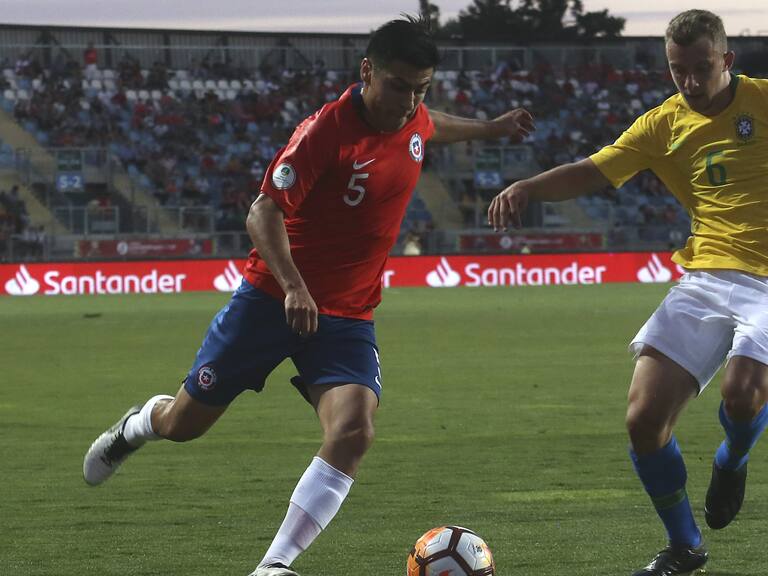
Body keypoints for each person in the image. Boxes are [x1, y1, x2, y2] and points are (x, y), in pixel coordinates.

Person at [83, 15, 534, 576]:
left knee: (353, 431)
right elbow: (262, 211)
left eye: (420, 88)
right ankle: (136, 426)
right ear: (367, 70)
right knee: (184, 425)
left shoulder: (412, 113)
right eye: (398, 85)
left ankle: (274, 565)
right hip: (272, 299)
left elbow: (429, 124)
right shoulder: (326, 132)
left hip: (347, 315)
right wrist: (294, 285)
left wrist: (491, 128)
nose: (408, 100)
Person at [488, 9, 768, 576]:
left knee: (742, 396)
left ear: (727, 60)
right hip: (706, 276)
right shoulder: (661, 125)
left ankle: (732, 458)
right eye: (677, 70)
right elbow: (592, 171)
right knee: (643, 419)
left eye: (701, 67)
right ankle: (685, 547)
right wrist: (527, 187)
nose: (689, 81)